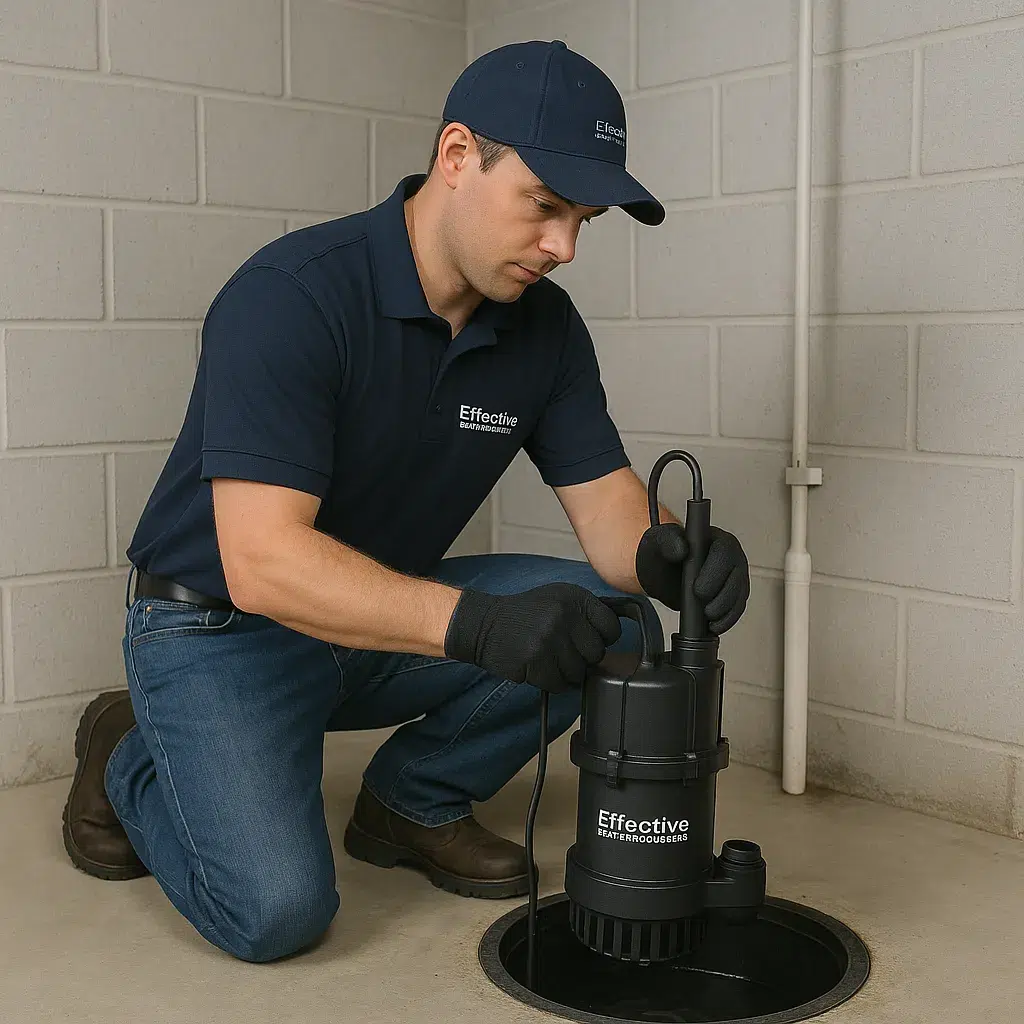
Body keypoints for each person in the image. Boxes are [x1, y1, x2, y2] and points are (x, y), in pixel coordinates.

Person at [61, 39, 750, 963]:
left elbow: (610, 516)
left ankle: (410, 803)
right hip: (218, 630)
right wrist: (477, 628)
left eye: (584, 219)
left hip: (375, 618)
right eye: (545, 207)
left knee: (618, 620)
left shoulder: (544, 328)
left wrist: (676, 554)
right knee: (277, 915)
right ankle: (129, 746)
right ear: (458, 156)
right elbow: (263, 561)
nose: (565, 247)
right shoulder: (292, 295)